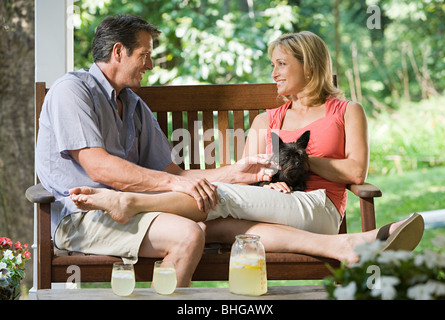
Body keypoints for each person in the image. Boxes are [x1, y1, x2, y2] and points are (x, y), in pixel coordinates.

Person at [69, 31, 424, 266]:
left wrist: (298, 160)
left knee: (217, 196)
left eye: (282, 64)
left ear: (310, 65)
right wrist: (269, 182)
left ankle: (129, 202)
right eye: (273, 65)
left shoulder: (346, 111)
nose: (274, 73)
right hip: (273, 207)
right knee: (220, 224)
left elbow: (355, 172)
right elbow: (251, 178)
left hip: (320, 207)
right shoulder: (265, 121)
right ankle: (351, 246)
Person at [36, 14, 274, 287]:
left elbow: (173, 173)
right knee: (188, 234)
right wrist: (174, 184)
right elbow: (99, 167)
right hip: (79, 218)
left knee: (211, 219)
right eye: (144, 54)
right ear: (118, 52)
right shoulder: (72, 91)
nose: (149, 65)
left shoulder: (134, 105)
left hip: (134, 210)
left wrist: (236, 173)